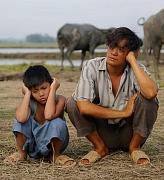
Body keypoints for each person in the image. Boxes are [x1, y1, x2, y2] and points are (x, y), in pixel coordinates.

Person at [65, 27, 159, 166]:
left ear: (130, 53)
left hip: (130, 133)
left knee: (148, 100)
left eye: (121, 49)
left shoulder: (137, 68)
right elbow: (83, 107)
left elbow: (151, 93)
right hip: (103, 133)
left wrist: (132, 61)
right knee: (73, 102)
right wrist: (124, 112)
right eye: (112, 46)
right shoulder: (92, 66)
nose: (114, 52)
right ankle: (100, 148)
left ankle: (134, 148)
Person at [4, 65, 76, 167]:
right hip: (33, 146)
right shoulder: (30, 102)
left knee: (58, 122)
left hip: (52, 145)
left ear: (51, 84)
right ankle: (22, 153)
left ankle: (56, 156)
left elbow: (49, 115)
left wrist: (53, 90)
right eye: (35, 91)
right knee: (21, 120)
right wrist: (27, 94)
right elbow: (20, 118)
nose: (41, 94)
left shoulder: (60, 100)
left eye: (44, 88)